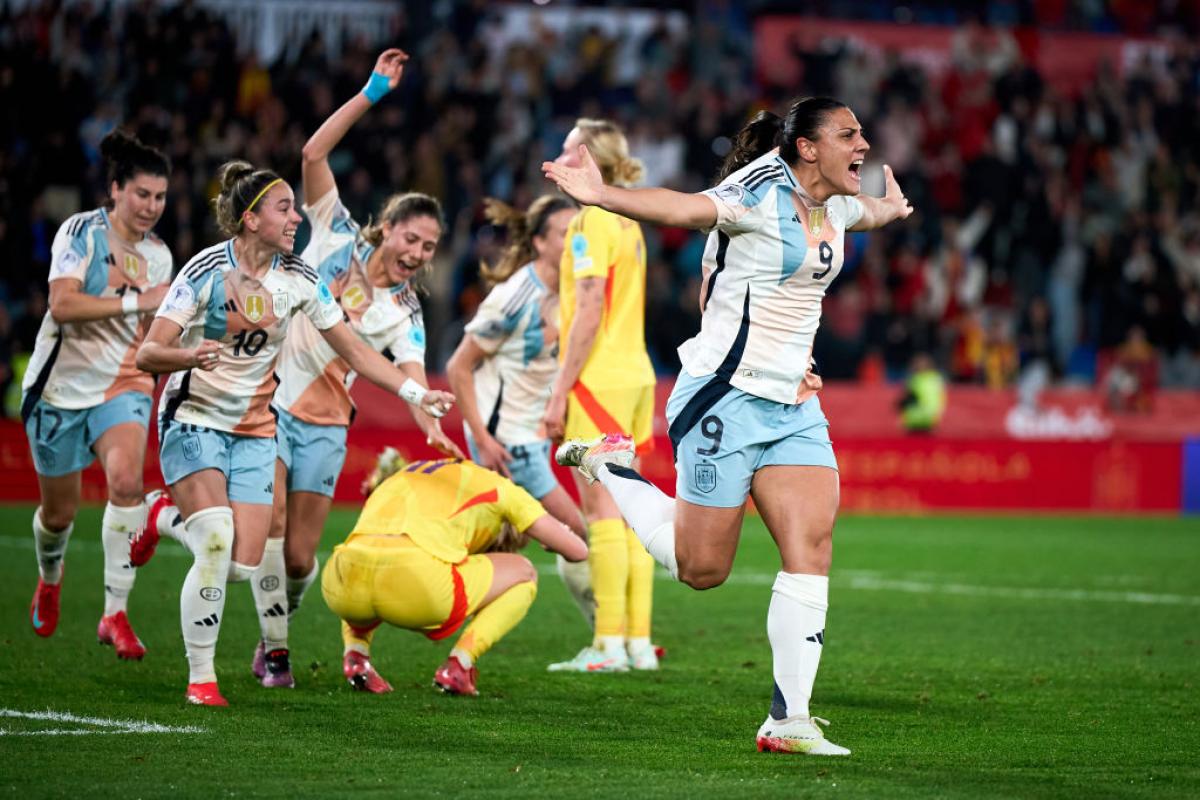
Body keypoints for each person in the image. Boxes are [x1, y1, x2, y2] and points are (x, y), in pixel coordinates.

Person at [543, 97, 912, 754]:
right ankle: (610, 467)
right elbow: (682, 208)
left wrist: (892, 207)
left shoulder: (836, 203)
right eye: (848, 134)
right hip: (724, 397)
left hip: (795, 405)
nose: (862, 144)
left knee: (812, 547)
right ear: (807, 148)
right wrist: (602, 196)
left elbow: (867, 214)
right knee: (701, 569)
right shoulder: (757, 192)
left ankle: (788, 719)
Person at [134, 159, 455, 706]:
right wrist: (188, 355)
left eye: (430, 246)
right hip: (204, 415)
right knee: (217, 540)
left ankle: (161, 516)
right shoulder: (207, 269)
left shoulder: (303, 279)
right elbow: (148, 353)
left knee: (247, 563)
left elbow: (356, 351)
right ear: (251, 219)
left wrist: (417, 397)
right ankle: (207, 678)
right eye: (284, 209)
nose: (296, 219)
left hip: (269, 427)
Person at [238, 48, 463, 688]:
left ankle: (273, 629)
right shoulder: (333, 230)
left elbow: (411, 373)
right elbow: (313, 154)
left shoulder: (405, 309)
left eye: (428, 247)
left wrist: (431, 420)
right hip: (269, 402)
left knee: (300, 557)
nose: (416, 253)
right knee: (270, 526)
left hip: (327, 423)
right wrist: (372, 92)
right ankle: (277, 651)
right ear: (386, 227)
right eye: (410, 238)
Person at [23, 130, 172, 660]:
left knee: (127, 483)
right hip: (59, 389)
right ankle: (50, 575)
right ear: (115, 190)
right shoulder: (81, 232)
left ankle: (115, 613)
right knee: (59, 515)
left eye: (160, 197)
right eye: (142, 194)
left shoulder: (159, 256)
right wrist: (137, 303)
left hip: (123, 382)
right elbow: (62, 306)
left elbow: (154, 330)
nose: (151, 206)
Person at [321, 449, 588, 696]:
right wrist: (554, 538)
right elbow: (578, 551)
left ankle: (356, 656)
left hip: (340, 580)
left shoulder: (409, 470)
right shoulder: (505, 489)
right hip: (419, 587)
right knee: (525, 572)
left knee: (368, 554)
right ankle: (459, 666)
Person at [542, 119, 660, 673]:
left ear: (591, 159)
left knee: (602, 510)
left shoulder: (588, 220)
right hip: (635, 374)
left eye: (570, 150)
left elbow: (590, 308)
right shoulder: (628, 219)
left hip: (599, 379)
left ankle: (608, 642)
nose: (561, 157)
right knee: (631, 509)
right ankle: (638, 643)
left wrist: (559, 390)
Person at [445, 195, 596, 626]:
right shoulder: (515, 297)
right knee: (579, 533)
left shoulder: (574, 291)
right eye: (565, 233)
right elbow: (458, 367)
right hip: (508, 441)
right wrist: (483, 439)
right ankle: (606, 634)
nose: (575, 241)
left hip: (531, 432)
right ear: (540, 243)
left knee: (498, 543)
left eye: (579, 232)